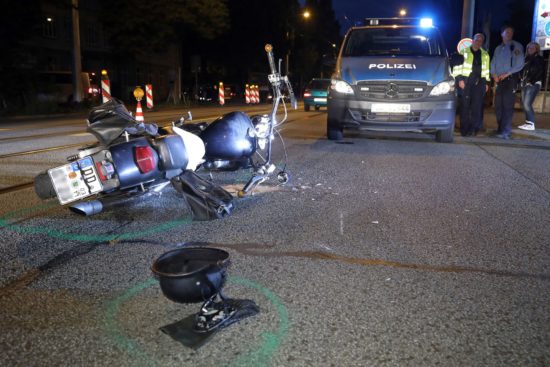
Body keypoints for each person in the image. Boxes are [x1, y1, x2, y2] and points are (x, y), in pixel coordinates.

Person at [452, 33, 491, 136]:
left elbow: (486, 70)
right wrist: (460, 80)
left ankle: (473, 129)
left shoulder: (485, 55)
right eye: (476, 40)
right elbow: (456, 68)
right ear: (472, 40)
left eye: (480, 41)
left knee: (476, 107)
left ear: (482, 43)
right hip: (466, 82)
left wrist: (486, 83)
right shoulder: (463, 52)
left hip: (480, 83)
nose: (478, 42)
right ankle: (464, 130)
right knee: (465, 107)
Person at [490, 25, 524, 139]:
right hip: (499, 80)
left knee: (507, 106)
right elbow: (493, 63)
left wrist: (507, 73)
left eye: (511, 32)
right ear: (502, 34)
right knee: (498, 106)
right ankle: (500, 128)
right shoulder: (498, 48)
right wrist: (493, 74)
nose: (509, 34)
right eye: (507, 32)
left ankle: (506, 131)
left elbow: (519, 64)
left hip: (510, 80)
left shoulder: (516, 46)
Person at [518, 42, 544, 131]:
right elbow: (522, 71)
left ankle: (531, 123)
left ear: (537, 49)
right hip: (525, 84)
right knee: (524, 104)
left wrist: (531, 81)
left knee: (527, 104)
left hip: (533, 83)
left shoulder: (539, 59)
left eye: (532, 48)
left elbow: (540, 71)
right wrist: (522, 80)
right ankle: (528, 123)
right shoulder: (526, 59)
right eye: (529, 48)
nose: (530, 49)